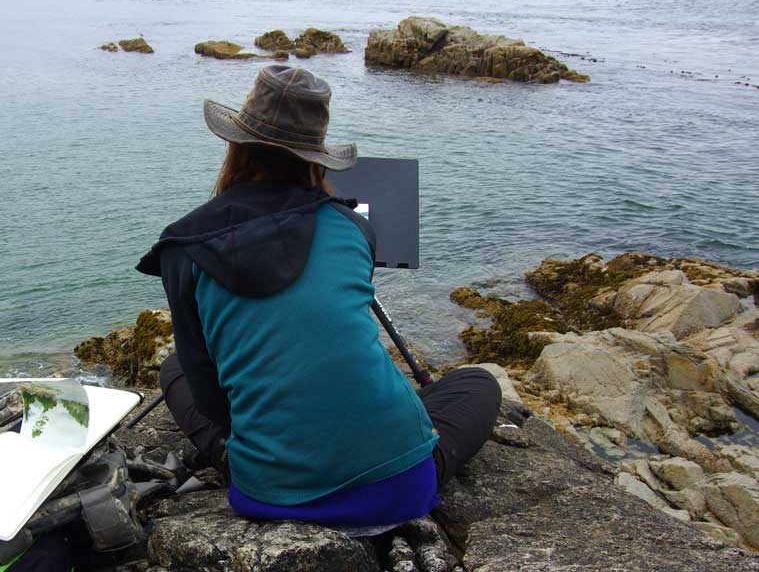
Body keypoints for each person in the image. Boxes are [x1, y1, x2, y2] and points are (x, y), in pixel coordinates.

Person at [136, 65, 501, 533]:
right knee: (476, 383)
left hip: (270, 494)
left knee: (175, 370)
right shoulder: (353, 228)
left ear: (235, 146)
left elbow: (211, 400)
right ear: (317, 158)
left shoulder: (183, 249)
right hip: (399, 491)